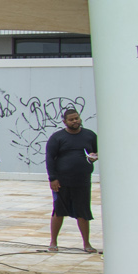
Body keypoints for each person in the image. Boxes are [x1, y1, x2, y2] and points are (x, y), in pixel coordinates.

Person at [46, 106, 99, 253]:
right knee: (58, 211)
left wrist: (94, 157)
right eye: (71, 119)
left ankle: (87, 243)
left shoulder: (89, 135)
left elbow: (97, 151)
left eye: (77, 118)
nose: (75, 121)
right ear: (65, 122)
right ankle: (53, 242)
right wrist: (53, 178)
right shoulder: (57, 137)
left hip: (82, 181)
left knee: (83, 212)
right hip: (62, 182)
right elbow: (49, 158)